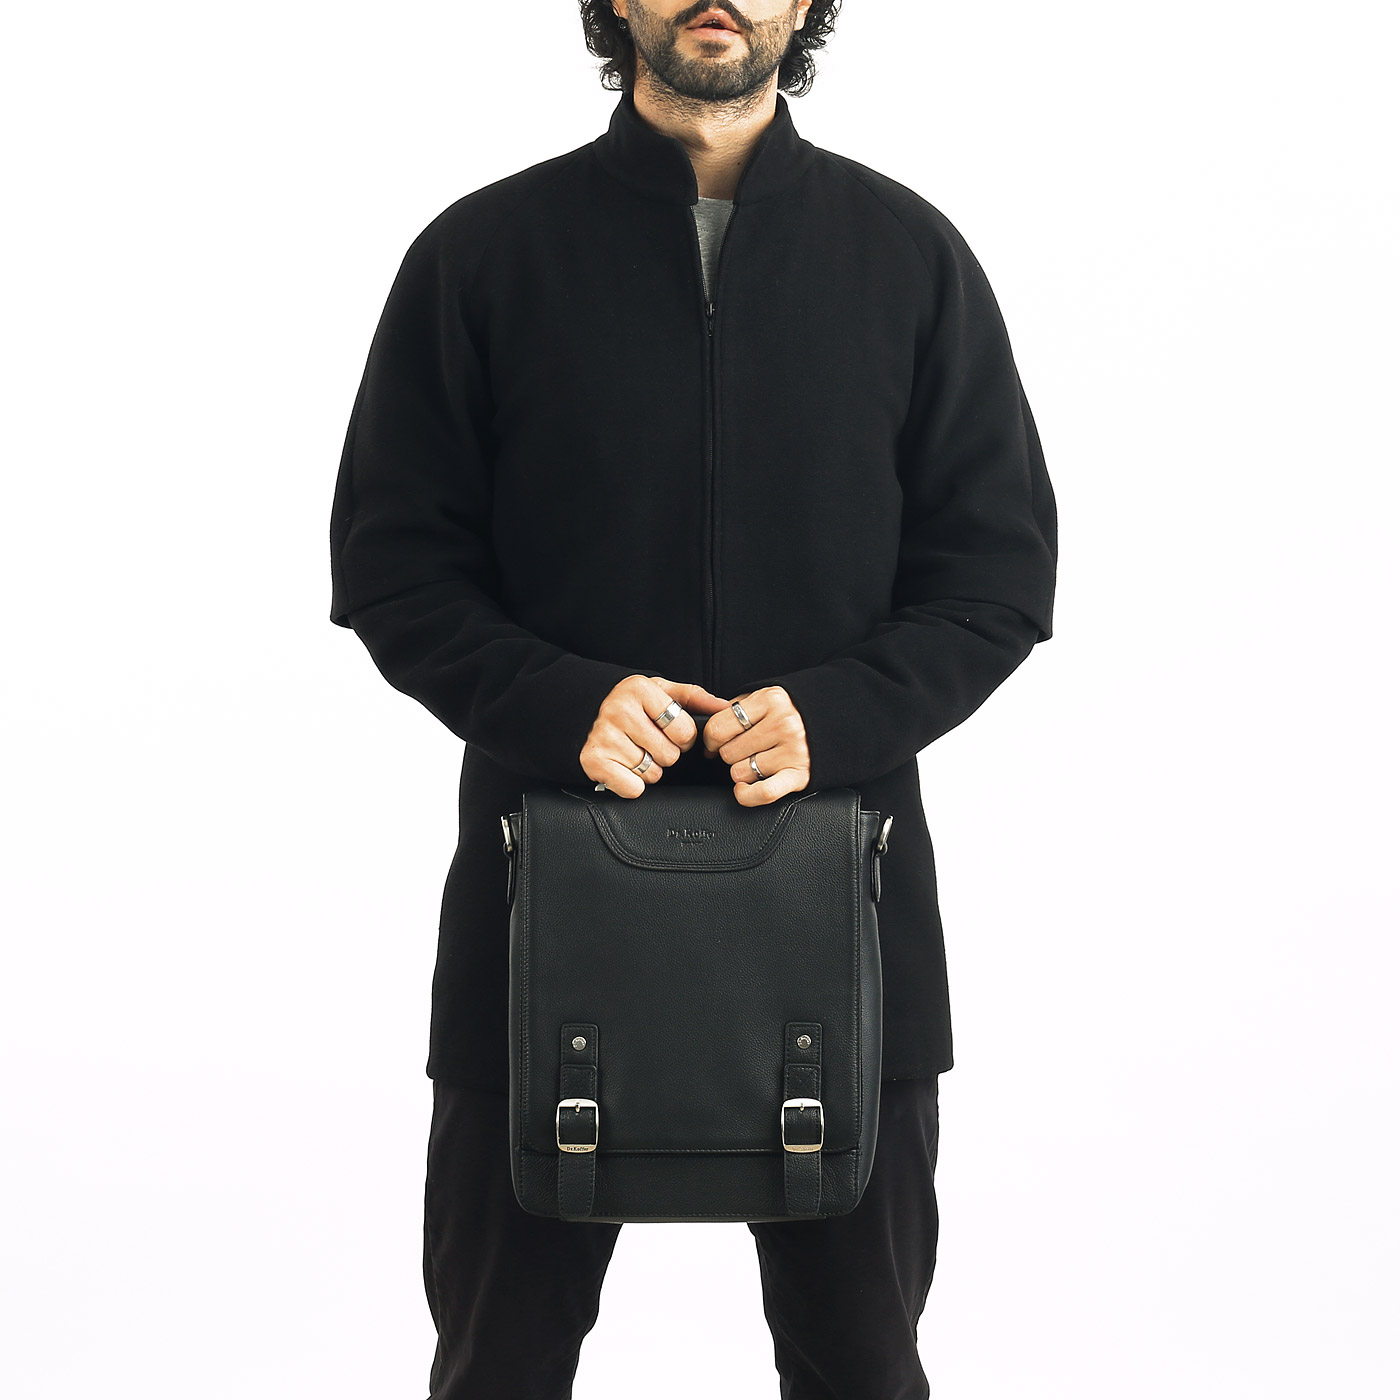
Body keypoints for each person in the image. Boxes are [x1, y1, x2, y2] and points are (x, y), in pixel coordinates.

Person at [328, 2, 1057, 1394]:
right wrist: (559, 701)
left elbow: (999, 574)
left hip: (842, 909)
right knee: (497, 1365)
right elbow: (391, 562)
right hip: (541, 906)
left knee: (863, 1366)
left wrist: (840, 714)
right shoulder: (481, 254)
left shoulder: (909, 255)